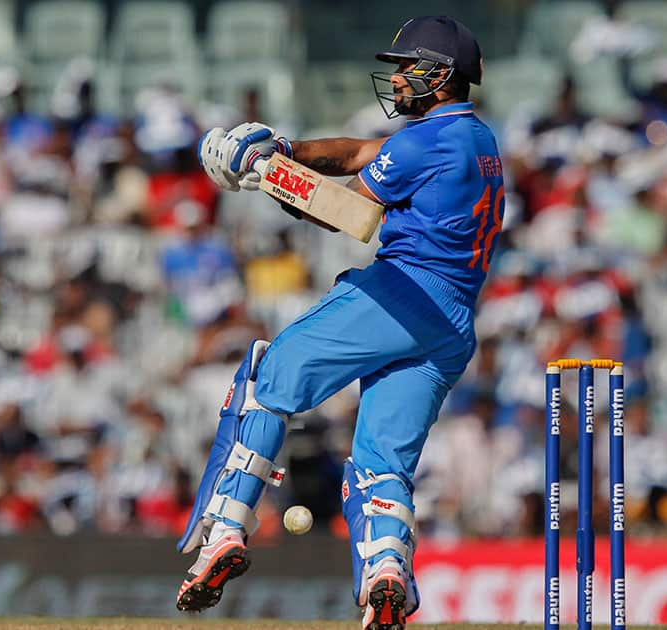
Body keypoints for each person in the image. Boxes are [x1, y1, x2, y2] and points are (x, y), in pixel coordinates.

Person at [177, 16, 502, 630]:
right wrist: (285, 151)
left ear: (439, 73)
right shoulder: (476, 141)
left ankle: (226, 530)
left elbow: (344, 213)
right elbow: (359, 153)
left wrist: (263, 175)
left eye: (409, 67)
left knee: (267, 379)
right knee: (381, 463)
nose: (398, 78)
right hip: (453, 324)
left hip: (402, 293)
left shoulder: (425, 140)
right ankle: (386, 576)